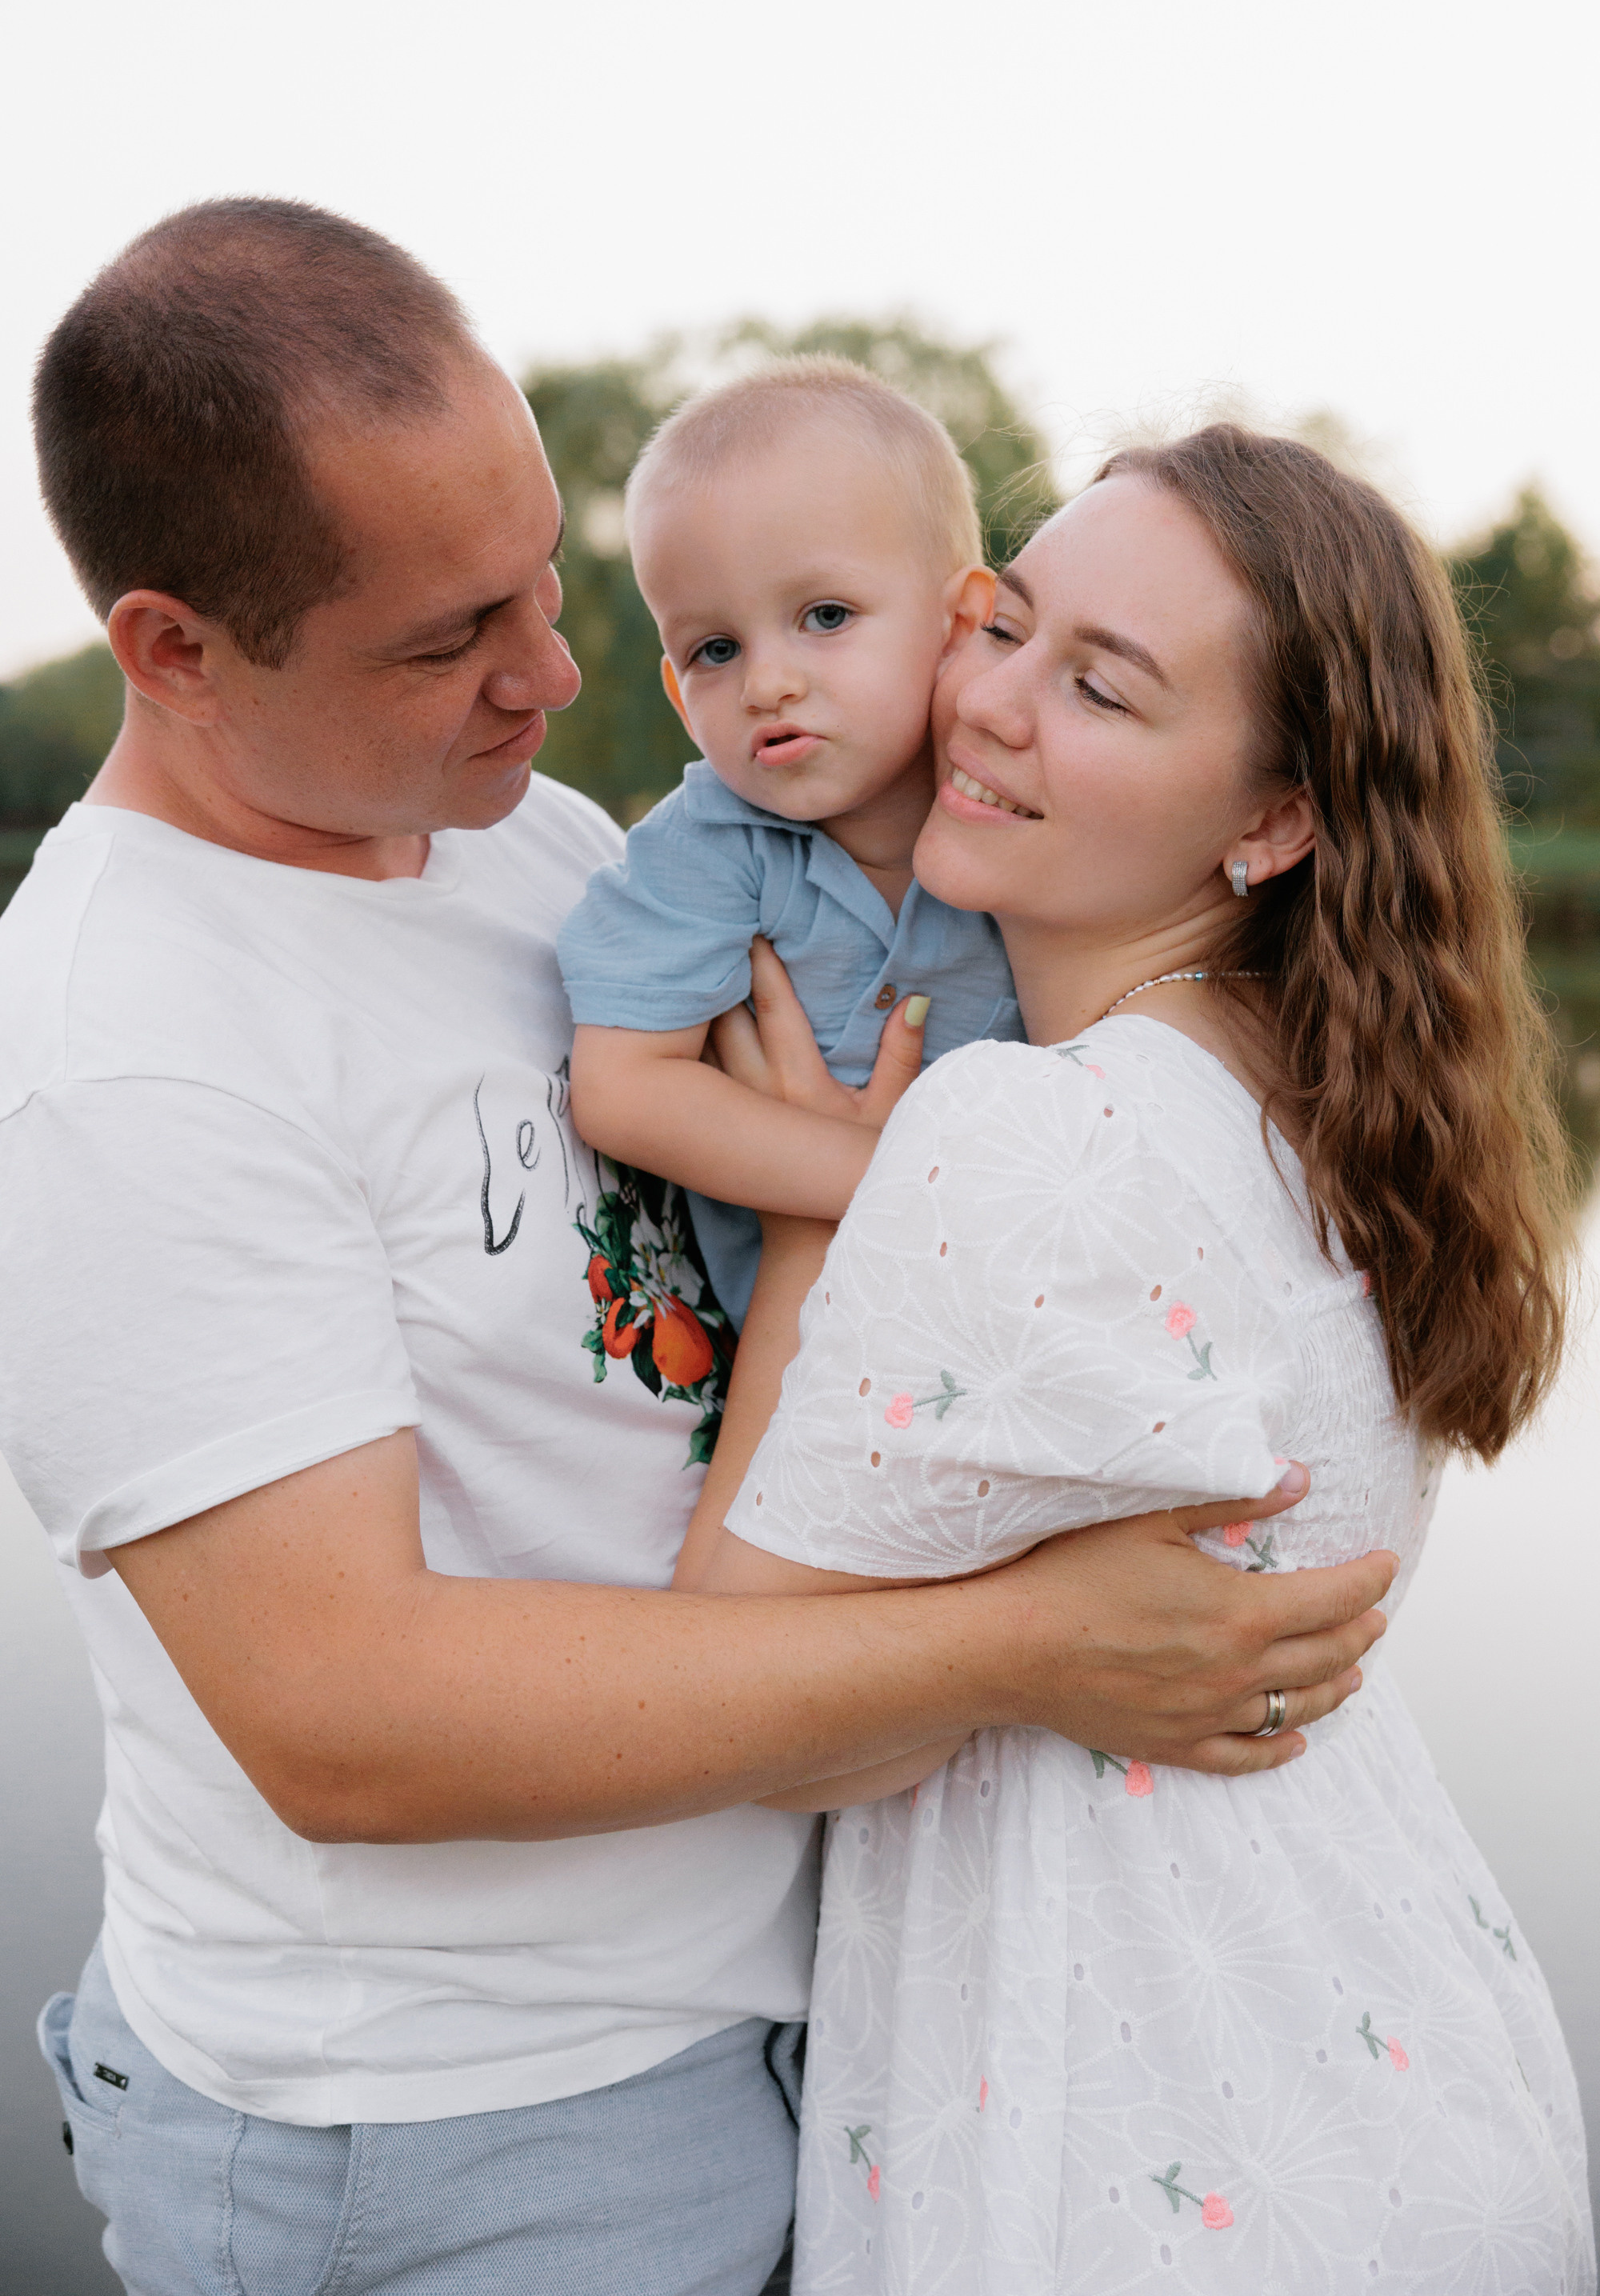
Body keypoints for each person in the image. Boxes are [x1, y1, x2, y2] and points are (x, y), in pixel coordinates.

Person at [0, 202, 1394, 2296]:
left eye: (549, 589)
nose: (558, 681)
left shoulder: (533, 838)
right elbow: (346, 1718)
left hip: (789, 2010)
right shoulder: (126, 1061)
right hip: (462, 2125)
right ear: (180, 652)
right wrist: (1031, 1652)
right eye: (449, 638)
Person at [680, 427, 1595, 2292]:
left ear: (1268, 824)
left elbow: (734, 1700)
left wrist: (795, 1228)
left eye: (1096, 685)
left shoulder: (1026, 1133)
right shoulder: (1340, 1119)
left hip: (1138, 2154)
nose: (986, 705)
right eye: (998, 621)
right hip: (1401, 2085)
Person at [558, 358, 1022, 1328]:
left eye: (823, 617)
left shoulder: (1028, 813)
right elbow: (620, 1089)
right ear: (682, 699)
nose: (766, 682)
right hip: (800, 1346)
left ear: (961, 623)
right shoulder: (710, 844)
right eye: (715, 651)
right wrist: (886, 1175)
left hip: (1011, 1304)